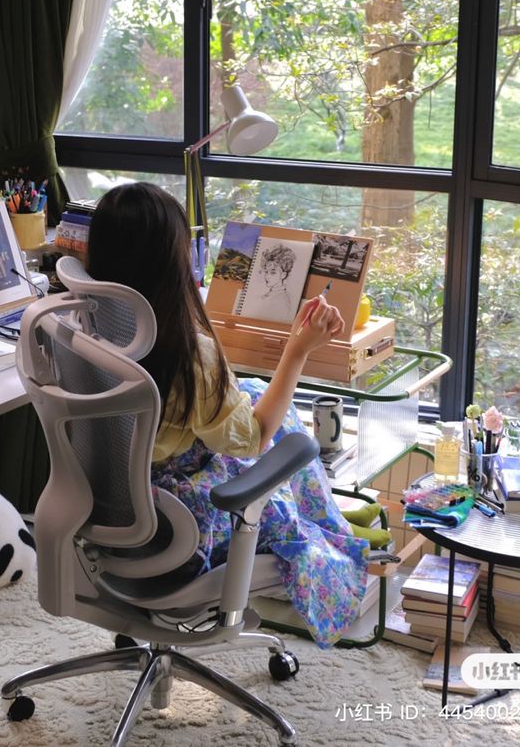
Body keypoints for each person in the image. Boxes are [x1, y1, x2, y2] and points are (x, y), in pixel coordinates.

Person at [86, 182, 381, 648]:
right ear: (174, 261)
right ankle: (329, 530)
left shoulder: (76, 329)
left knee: (252, 391)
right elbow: (256, 437)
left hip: (107, 512)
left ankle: (335, 520)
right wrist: (298, 350)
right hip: (176, 533)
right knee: (283, 440)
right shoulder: (188, 355)